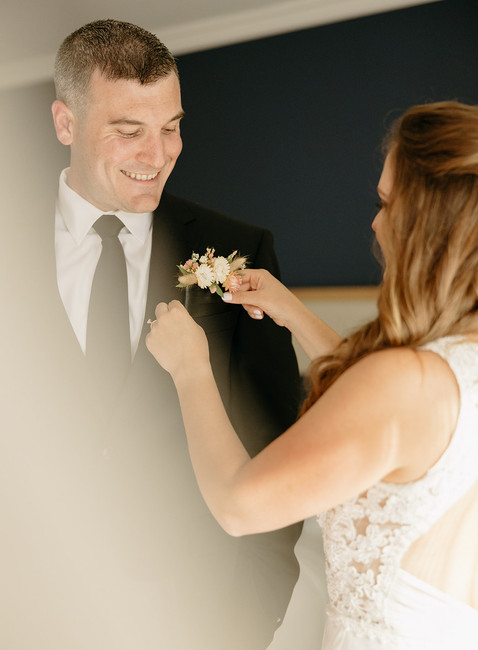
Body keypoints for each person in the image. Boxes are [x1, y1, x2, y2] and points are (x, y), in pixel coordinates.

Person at [1, 19, 302, 650]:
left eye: (171, 128)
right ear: (65, 124)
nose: (158, 155)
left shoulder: (241, 251)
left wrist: (248, 617)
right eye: (128, 131)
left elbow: (279, 445)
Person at [146, 100, 478, 649]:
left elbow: (239, 504)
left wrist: (191, 369)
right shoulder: (464, 365)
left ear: (430, 222)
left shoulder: (408, 382)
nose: (375, 222)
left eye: (386, 201)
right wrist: (293, 313)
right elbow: (381, 411)